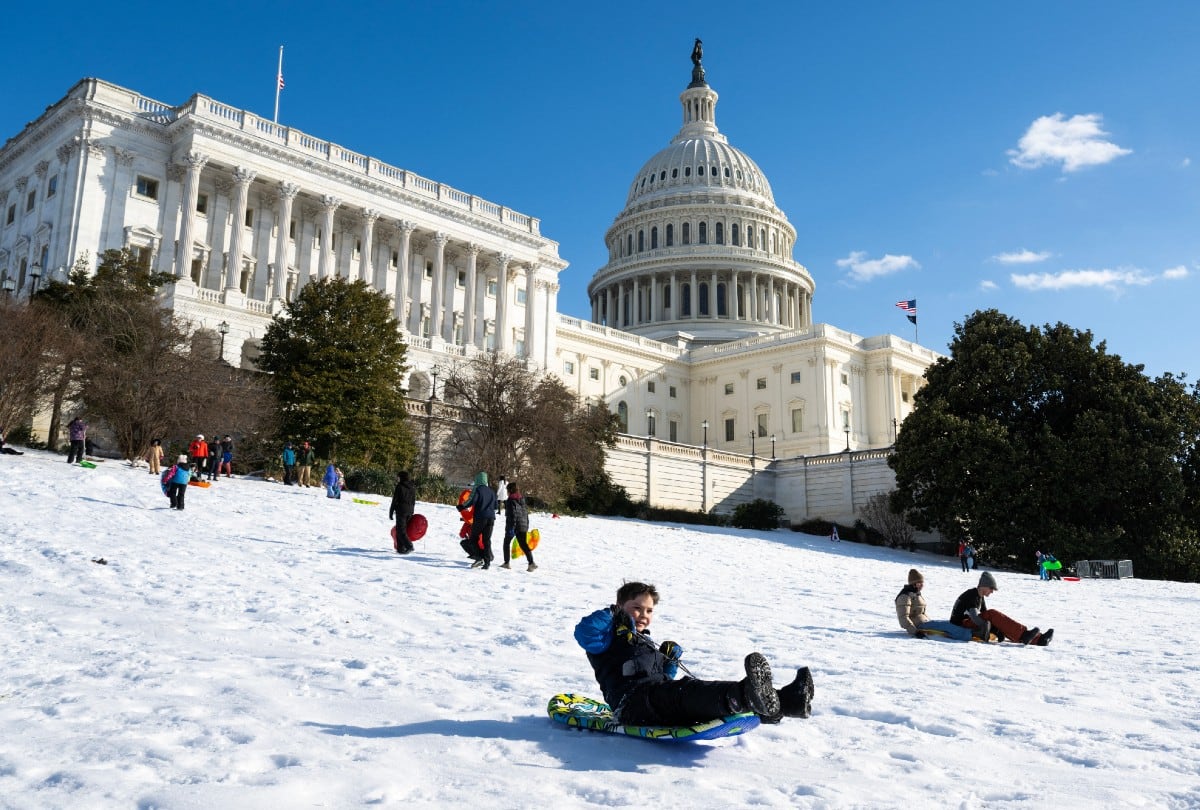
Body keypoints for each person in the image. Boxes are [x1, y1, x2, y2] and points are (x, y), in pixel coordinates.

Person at [574, 581, 813, 727]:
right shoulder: (606, 638)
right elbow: (584, 632)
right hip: (630, 706)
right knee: (685, 692)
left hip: (654, 700)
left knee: (692, 694)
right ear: (620, 607)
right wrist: (612, 614)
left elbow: (662, 679)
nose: (643, 615)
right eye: (636, 608)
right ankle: (746, 696)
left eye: (649, 610)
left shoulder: (644, 642)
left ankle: (787, 702)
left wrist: (668, 662)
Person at [951, 572, 1053, 645]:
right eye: (991, 588)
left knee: (995, 618)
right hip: (961, 624)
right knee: (992, 613)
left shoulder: (979, 596)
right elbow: (975, 617)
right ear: (984, 586)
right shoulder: (971, 595)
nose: (992, 591)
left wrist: (997, 630)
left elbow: (985, 616)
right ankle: (1024, 635)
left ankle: (1039, 639)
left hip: (968, 621)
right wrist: (988, 627)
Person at [895, 569, 972, 640]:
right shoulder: (905, 596)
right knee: (947, 626)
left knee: (950, 622)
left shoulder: (915, 594)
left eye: (922, 583)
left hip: (925, 622)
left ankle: (971, 631)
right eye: (919, 583)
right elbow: (903, 618)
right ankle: (969, 635)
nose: (922, 585)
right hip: (919, 626)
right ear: (913, 584)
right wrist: (915, 632)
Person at [458, 472, 497, 569]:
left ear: (478, 480)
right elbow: (496, 506)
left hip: (480, 518)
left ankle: (479, 558)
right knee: (486, 540)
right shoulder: (491, 491)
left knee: (473, 539)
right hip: (491, 518)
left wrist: (462, 506)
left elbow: (472, 500)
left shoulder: (478, 489)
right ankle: (487, 563)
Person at [500, 482, 537, 571]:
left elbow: (512, 515)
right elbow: (525, 514)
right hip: (523, 525)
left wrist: (511, 528)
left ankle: (506, 563)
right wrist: (526, 526)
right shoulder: (522, 499)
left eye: (507, 490)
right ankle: (531, 563)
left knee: (506, 543)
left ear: (509, 490)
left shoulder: (510, 501)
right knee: (523, 544)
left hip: (514, 526)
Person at [388, 470, 417, 554]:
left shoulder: (399, 486)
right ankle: (400, 549)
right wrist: (411, 511)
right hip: (410, 511)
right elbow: (413, 500)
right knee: (401, 530)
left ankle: (409, 546)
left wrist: (391, 511)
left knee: (401, 531)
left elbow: (395, 500)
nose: (397, 478)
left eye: (398, 477)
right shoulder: (412, 486)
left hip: (401, 511)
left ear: (401, 477)